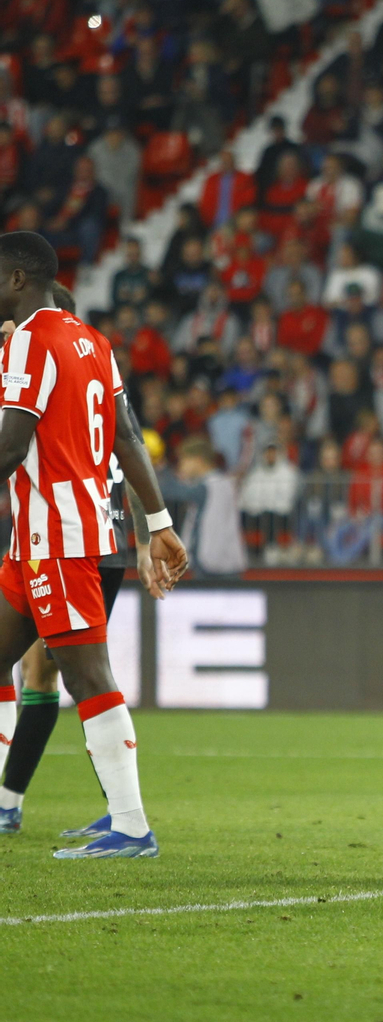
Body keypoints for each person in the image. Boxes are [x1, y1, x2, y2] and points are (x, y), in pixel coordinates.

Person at [0, 232, 189, 858]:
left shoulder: (30, 339)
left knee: (85, 673)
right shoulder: (93, 341)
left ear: (20, 280)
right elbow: (128, 436)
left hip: (62, 538)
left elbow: (9, 445)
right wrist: (158, 519)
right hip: (38, 541)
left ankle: (132, 825)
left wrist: (158, 525)